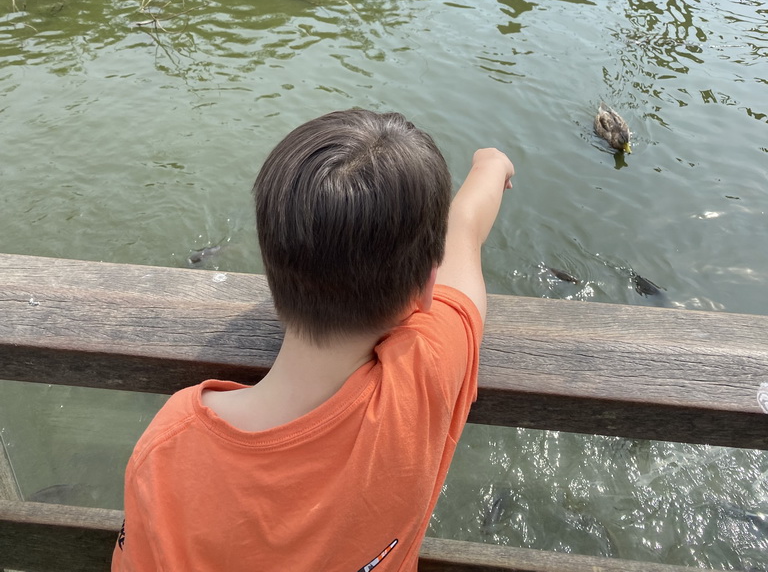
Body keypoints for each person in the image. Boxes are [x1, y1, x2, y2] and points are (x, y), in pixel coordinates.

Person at [113, 108, 514, 572]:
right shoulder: (423, 377)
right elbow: (464, 231)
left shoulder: (169, 450)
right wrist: (491, 163)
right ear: (426, 285)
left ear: (271, 268)